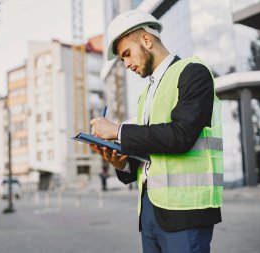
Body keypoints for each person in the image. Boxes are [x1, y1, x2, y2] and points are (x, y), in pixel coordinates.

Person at [89, 10, 223, 253]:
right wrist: (122, 164)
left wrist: (117, 130)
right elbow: (151, 152)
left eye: (127, 54)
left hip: (187, 212)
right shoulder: (145, 95)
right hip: (150, 212)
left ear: (146, 40)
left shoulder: (193, 72)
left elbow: (181, 136)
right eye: (122, 59)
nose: (127, 64)